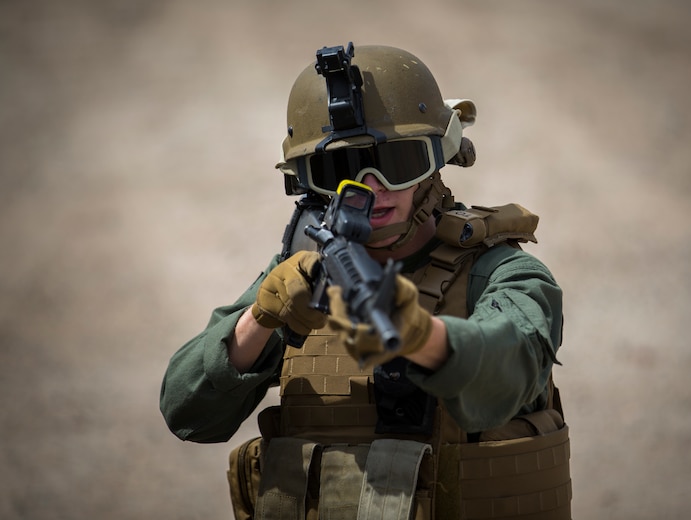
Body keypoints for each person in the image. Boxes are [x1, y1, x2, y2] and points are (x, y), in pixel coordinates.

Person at [160, 42, 570, 520]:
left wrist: (420, 335)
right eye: (344, 170)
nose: (372, 187)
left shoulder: (501, 272)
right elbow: (186, 412)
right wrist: (260, 318)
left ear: (438, 159)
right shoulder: (300, 269)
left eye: (396, 164)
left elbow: (511, 369)